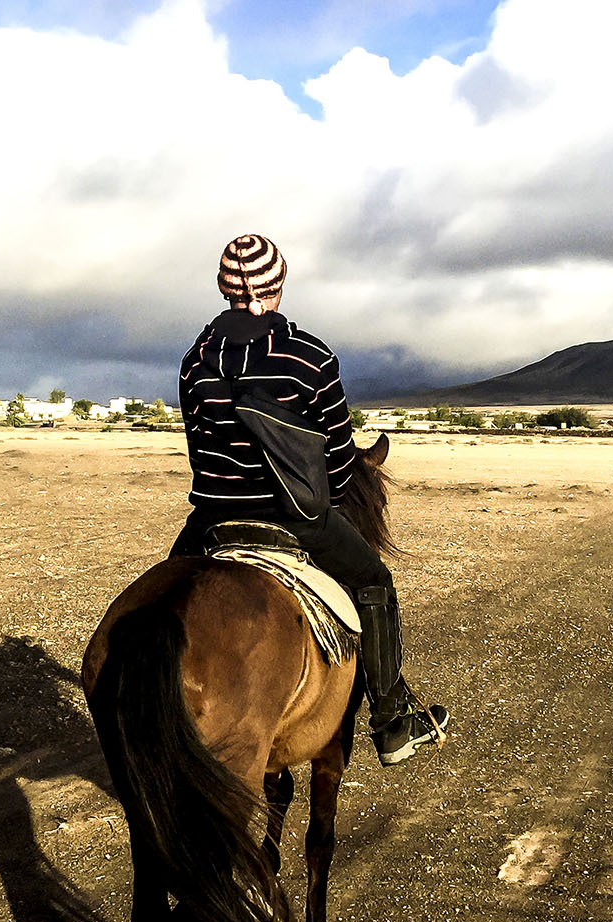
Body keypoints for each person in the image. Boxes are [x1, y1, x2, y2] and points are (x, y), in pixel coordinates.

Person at [169, 233, 449, 766]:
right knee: (374, 582)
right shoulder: (309, 356)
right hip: (293, 519)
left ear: (226, 289)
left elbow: (197, 448)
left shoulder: (194, 360)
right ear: (276, 288)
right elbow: (342, 465)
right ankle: (392, 721)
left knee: (165, 602)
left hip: (211, 518)